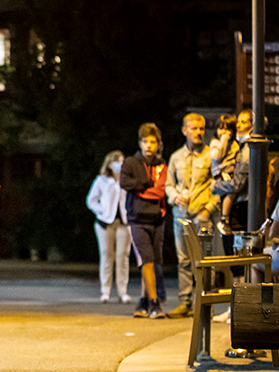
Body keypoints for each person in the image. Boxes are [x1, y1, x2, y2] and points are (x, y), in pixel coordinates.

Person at [164, 113, 218, 318]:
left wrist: (209, 209)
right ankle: (184, 302)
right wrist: (174, 196)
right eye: (194, 128)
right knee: (184, 260)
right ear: (184, 130)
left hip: (201, 214)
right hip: (181, 214)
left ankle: (205, 304)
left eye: (201, 128)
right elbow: (169, 184)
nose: (199, 132)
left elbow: (218, 186)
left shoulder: (210, 155)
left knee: (204, 261)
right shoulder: (176, 157)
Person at [120, 123, 168, 319]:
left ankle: (143, 300)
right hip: (137, 219)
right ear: (140, 143)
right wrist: (144, 185)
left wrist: (140, 191)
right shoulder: (131, 162)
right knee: (147, 260)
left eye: (153, 142)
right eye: (145, 141)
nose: (149, 145)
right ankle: (155, 303)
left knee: (153, 261)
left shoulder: (161, 165)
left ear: (158, 144)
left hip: (157, 218)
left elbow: (161, 191)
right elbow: (124, 182)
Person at [86, 150, 132, 304]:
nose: (120, 164)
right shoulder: (102, 180)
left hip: (123, 223)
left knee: (122, 256)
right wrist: (102, 211)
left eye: (122, 161)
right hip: (105, 223)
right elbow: (91, 200)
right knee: (106, 255)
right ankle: (105, 291)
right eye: (117, 162)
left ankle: (123, 291)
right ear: (110, 165)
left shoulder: (127, 180)